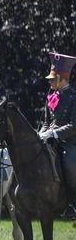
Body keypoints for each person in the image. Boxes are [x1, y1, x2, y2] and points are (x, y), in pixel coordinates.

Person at [39, 52, 76, 201]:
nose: (50, 82)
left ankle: (73, 202)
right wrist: (41, 134)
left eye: (53, 79)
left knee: (68, 165)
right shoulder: (51, 98)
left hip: (68, 142)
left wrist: (53, 134)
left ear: (61, 79)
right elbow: (47, 122)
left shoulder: (73, 98)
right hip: (49, 138)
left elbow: (74, 126)